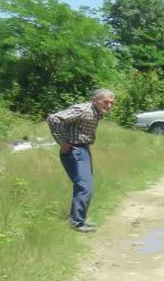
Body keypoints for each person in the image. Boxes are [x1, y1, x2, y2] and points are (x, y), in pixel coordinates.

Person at [46, 88, 116, 233]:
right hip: (74, 151)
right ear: (95, 100)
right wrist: (62, 142)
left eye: (111, 103)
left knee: (84, 186)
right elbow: (54, 118)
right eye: (106, 102)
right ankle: (77, 223)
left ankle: (79, 219)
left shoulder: (97, 112)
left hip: (82, 149)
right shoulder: (83, 109)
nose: (109, 106)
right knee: (85, 187)